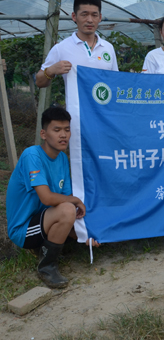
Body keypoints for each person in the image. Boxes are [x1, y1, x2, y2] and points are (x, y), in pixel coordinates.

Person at [6, 107, 99, 288]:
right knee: (68, 208)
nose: (63, 135)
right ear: (44, 134)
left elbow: (66, 199)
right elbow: (47, 199)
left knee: (72, 211)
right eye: (57, 130)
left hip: (46, 219)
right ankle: (47, 266)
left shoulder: (62, 158)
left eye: (67, 130)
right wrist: (75, 201)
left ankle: (51, 247)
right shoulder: (32, 155)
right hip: (24, 230)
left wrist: (84, 235)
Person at [36, 0, 119, 101]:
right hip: (76, 111)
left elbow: (115, 81)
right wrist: (50, 71)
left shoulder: (108, 47)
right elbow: (39, 82)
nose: (90, 20)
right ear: (74, 17)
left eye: (94, 15)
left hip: (104, 111)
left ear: (100, 17)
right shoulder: (61, 48)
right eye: (84, 14)